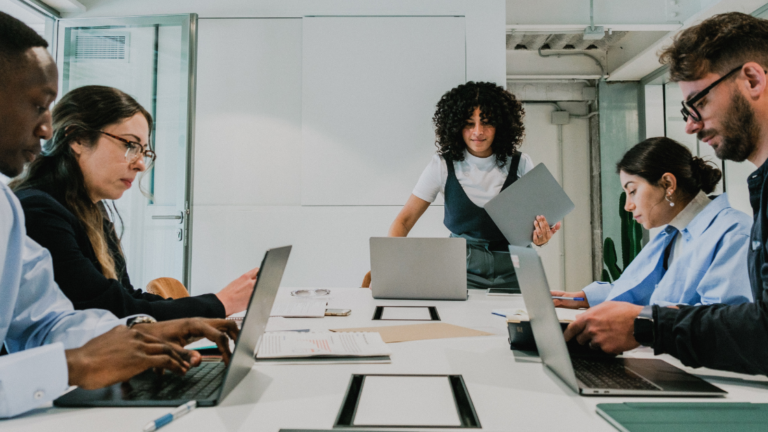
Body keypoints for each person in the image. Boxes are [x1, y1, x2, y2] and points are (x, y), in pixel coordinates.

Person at [0, 12, 237, 418]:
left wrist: (142, 332)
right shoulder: (36, 207)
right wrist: (73, 364)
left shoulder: (6, 212)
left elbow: (43, 322)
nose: (45, 129)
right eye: (38, 106)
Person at [564, 12, 768, 376]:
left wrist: (646, 326)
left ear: (752, 79)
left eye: (699, 103)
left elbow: (754, 331)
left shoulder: (732, 229)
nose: (690, 124)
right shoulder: (759, 188)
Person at [9, 85, 257, 320]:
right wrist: (221, 303)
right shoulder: (39, 212)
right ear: (77, 139)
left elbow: (126, 298)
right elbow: (112, 312)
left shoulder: (90, 210)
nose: (139, 164)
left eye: (143, 152)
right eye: (130, 145)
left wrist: (216, 306)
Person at [368, 81, 559, 290]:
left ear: (501, 125)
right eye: (469, 123)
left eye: (487, 122)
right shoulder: (441, 166)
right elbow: (404, 221)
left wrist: (541, 239)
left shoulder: (521, 164)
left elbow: (539, 229)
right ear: (456, 125)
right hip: (460, 271)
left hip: (516, 269)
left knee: (515, 323)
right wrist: (387, 266)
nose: (478, 131)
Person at [553, 137, 752, 309]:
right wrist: (581, 298)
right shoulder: (673, 235)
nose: (628, 206)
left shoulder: (735, 234)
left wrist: (639, 319)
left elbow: (724, 320)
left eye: (632, 191)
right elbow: (638, 289)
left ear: (668, 184)